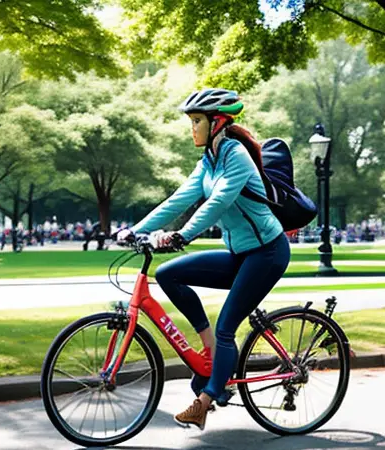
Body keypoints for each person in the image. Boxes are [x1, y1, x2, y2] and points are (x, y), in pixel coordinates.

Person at [118, 88, 291, 430]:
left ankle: (206, 401)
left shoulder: (236, 156)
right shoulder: (208, 161)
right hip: (239, 253)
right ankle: (209, 349)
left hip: (267, 253)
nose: (192, 128)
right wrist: (134, 230)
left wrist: (183, 235)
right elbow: (179, 200)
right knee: (169, 274)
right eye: (192, 121)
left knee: (228, 326)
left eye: (197, 120)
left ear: (218, 122)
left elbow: (219, 202)